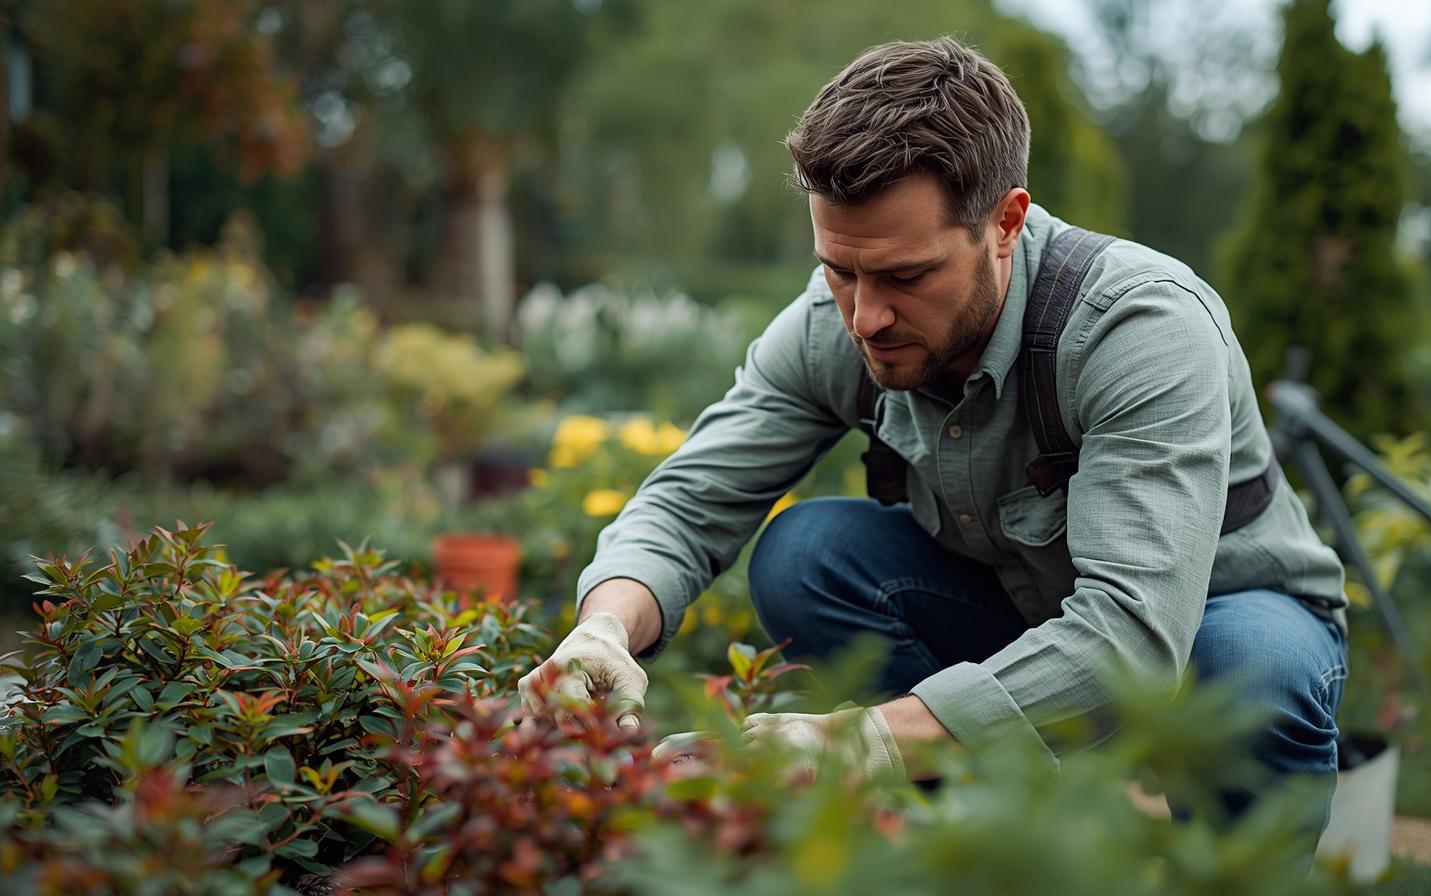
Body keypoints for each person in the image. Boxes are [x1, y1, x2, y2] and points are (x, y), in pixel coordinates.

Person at [520, 36, 1350, 831]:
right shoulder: (833, 323)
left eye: (906, 276)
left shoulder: (1139, 328)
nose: (865, 316)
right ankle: (982, 836)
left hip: (1211, 618)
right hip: (1024, 614)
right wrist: (605, 626)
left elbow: (1133, 635)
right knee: (807, 556)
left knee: (1253, 673)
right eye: (839, 270)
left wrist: (861, 742)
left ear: (1007, 222)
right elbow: (693, 498)